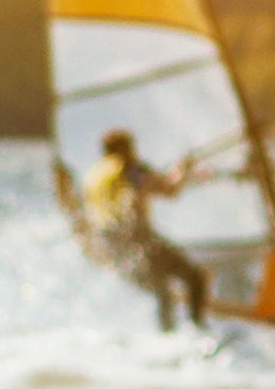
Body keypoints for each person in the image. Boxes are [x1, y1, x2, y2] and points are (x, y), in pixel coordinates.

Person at [76, 128, 219, 332]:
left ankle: (167, 339)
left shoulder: (93, 175)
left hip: (108, 247)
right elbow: (169, 189)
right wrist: (184, 169)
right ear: (126, 149)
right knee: (195, 277)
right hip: (135, 239)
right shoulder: (128, 168)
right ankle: (199, 333)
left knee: (163, 292)